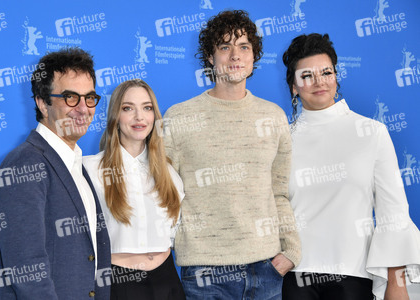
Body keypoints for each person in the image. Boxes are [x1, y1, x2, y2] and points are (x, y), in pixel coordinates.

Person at [163, 10, 301, 299]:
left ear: (253, 58)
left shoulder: (273, 117)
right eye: (225, 47)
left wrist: (291, 250)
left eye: (244, 47)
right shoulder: (178, 117)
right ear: (211, 58)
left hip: (266, 269)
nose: (235, 56)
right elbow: (163, 193)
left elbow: (279, 193)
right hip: (204, 271)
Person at [281, 33, 420, 300]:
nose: (319, 81)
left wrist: (397, 282)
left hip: (353, 277)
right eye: (307, 75)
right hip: (294, 278)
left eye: (326, 72)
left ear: (336, 76)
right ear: (294, 86)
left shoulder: (371, 132)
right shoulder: (282, 140)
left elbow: (394, 212)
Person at [0, 48, 111, 299]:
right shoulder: (23, 165)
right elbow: (27, 269)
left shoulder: (76, 164)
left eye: (89, 98)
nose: (83, 108)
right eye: (70, 98)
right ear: (42, 103)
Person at [83, 79, 186, 300]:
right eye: (128, 108)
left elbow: (175, 230)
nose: (140, 117)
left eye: (147, 108)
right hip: (119, 284)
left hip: (167, 280)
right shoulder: (90, 170)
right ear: (115, 117)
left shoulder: (170, 174)